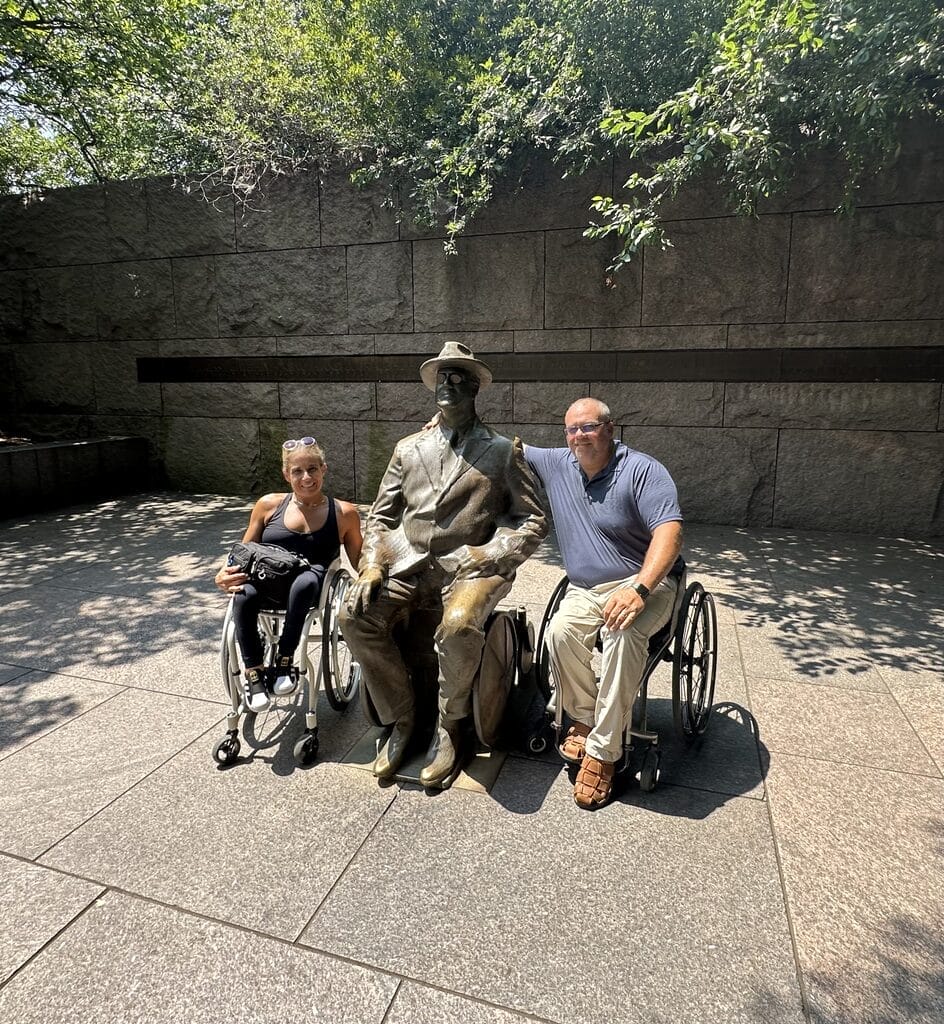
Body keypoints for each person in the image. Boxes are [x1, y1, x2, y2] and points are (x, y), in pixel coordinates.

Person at [340, 342, 547, 787]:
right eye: (441, 378)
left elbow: (532, 520)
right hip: (408, 564)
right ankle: (402, 719)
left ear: (474, 387)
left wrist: (487, 555)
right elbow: (380, 516)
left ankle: (449, 726)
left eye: (457, 378)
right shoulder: (408, 448)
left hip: (471, 567)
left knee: (457, 625)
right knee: (353, 614)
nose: (447, 386)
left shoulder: (500, 449)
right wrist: (374, 563)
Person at [525, 398, 684, 809]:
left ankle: (605, 752)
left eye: (589, 427)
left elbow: (669, 535)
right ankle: (583, 717)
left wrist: (640, 589)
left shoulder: (644, 471)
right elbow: (500, 446)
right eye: (572, 430)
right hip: (585, 588)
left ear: (610, 429)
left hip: (646, 582)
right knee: (559, 631)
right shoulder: (558, 463)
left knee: (623, 633)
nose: (579, 436)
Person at [214, 437, 363, 712]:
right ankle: (255, 673)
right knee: (243, 594)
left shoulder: (345, 513)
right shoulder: (268, 505)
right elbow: (244, 550)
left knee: (304, 582)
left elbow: (360, 562)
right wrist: (223, 573)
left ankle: (284, 659)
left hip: (312, 583)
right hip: (268, 579)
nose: (306, 477)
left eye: (312, 469)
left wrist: (380, 575)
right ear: (286, 474)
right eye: (297, 471)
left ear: (324, 469)